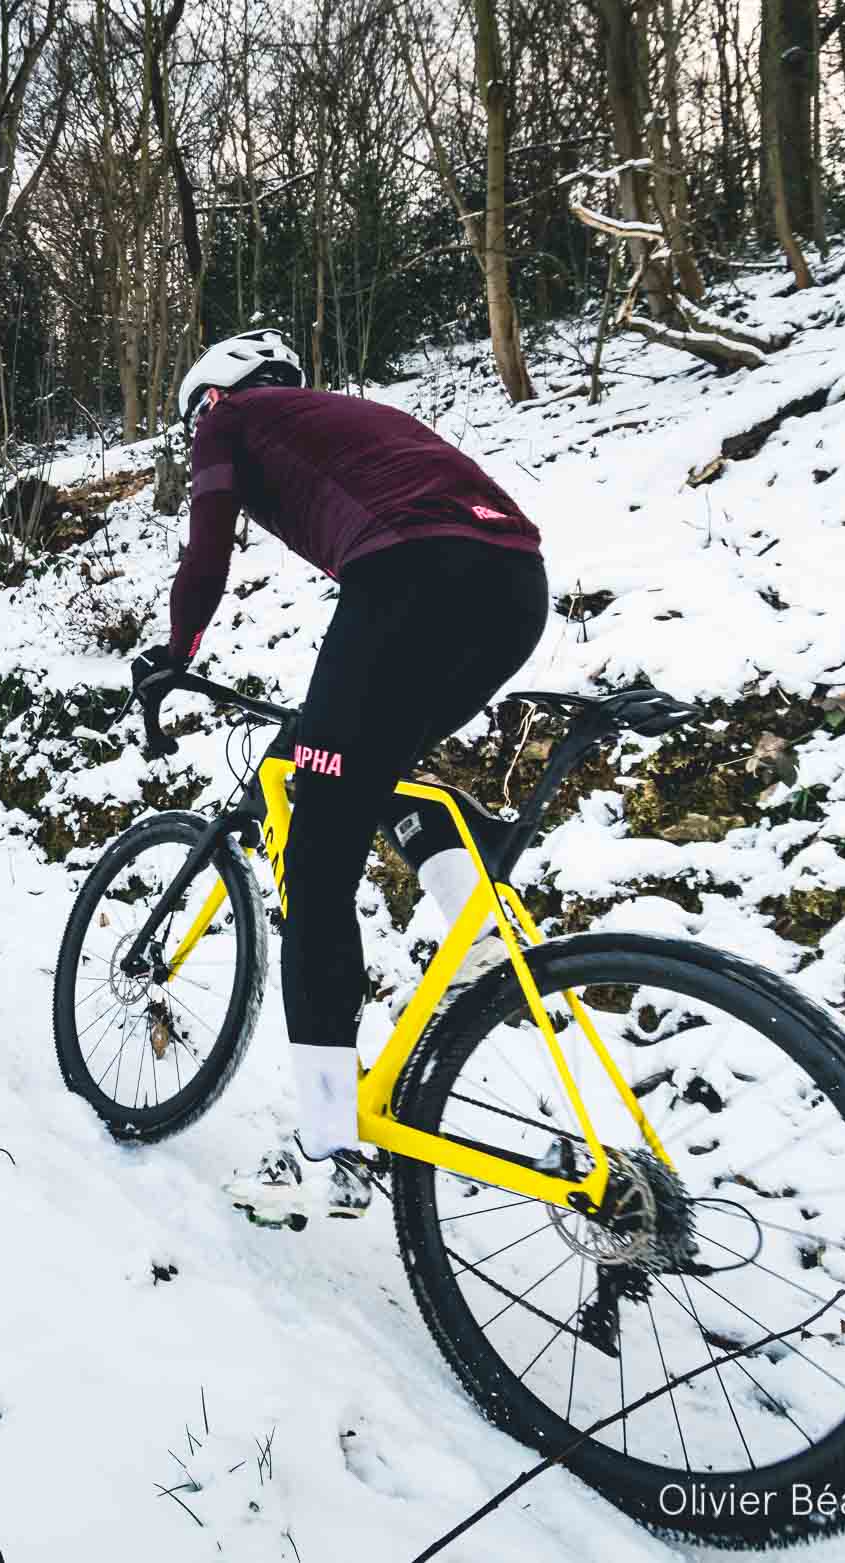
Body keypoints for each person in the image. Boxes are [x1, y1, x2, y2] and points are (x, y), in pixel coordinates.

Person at [133, 329, 549, 1226]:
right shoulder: (344, 419)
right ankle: (477, 932)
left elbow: (207, 555)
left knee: (318, 852)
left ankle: (327, 1147)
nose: (198, 435)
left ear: (213, 393)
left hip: (412, 575)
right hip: (516, 583)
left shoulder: (229, 418)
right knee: (365, 770)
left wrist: (175, 653)